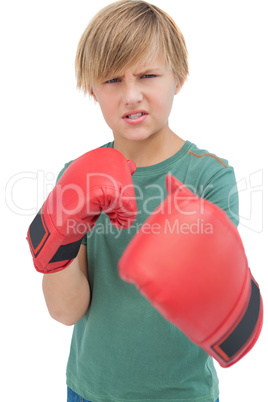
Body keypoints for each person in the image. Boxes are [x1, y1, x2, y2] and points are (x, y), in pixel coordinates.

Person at [27, 1, 262, 401]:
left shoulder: (209, 175)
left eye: (148, 75)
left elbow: (221, 301)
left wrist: (185, 254)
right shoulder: (79, 174)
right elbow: (66, 312)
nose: (131, 94)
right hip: (89, 390)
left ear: (178, 78)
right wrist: (61, 236)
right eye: (112, 80)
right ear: (92, 89)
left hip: (181, 394)